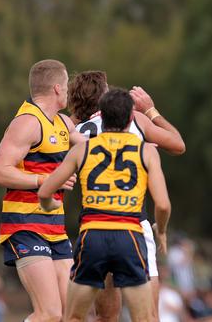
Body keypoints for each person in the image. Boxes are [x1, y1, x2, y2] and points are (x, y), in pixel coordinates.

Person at [38, 88, 172, 321]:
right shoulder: (146, 151)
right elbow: (162, 205)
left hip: (92, 237)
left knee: (74, 317)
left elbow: (46, 190)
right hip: (129, 236)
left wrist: (48, 205)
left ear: (102, 116)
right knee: (147, 318)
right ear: (131, 118)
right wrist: (161, 231)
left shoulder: (83, 148)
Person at [67, 70, 185, 321]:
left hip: (94, 227)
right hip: (133, 225)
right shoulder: (135, 121)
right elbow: (178, 145)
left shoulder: (77, 132)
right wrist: (151, 110)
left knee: (105, 316)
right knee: (148, 316)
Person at [0, 59, 85, 321]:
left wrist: (133, 139)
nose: (68, 91)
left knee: (72, 313)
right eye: (67, 85)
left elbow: (94, 147)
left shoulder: (63, 123)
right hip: (25, 226)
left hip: (55, 230)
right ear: (58, 88)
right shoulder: (28, 122)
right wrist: (45, 180)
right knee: (49, 313)